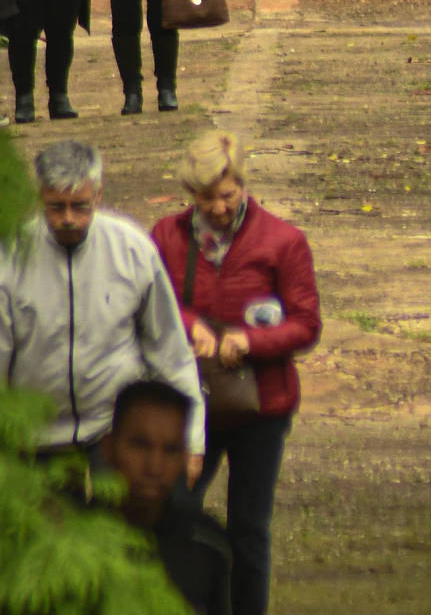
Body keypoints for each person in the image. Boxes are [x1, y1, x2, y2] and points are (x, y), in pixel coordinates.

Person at [151, 131, 319, 615]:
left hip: (260, 406)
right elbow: (151, 302)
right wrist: (191, 327)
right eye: (207, 198)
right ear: (191, 194)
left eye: (228, 195)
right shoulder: (167, 236)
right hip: (189, 400)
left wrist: (251, 341)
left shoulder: (282, 242)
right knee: (173, 510)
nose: (220, 208)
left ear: (244, 185)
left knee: (250, 528)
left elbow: (306, 325)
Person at [0, 141, 206, 472]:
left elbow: (171, 352)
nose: (68, 219)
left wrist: (191, 440)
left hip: (115, 436)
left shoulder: (132, 250)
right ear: (39, 198)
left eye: (80, 206)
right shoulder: (10, 258)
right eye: (56, 207)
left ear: (98, 195)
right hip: (33, 443)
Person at [99, 379, 233, 615]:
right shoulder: (70, 541)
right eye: (140, 445)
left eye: (170, 450)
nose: (154, 466)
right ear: (108, 448)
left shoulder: (208, 547)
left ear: (184, 458)